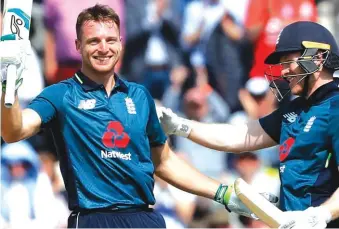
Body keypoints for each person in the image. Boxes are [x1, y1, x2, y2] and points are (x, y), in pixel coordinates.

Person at [0, 4, 277, 228]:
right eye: (93, 41)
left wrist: (223, 193)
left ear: (121, 43)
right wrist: (6, 89)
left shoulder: (140, 96)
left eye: (110, 40)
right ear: (77, 45)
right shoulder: (60, 95)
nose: (103, 48)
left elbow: (164, 161)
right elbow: (13, 131)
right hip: (93, 219)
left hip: (145, 218)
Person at [157, 21, 339, 228]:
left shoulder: (335, 107)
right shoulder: (294, 110)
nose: (284, 72)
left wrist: (322, 214)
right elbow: (238, 137)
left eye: (289, 61)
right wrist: (181, 126)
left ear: (317, 58)